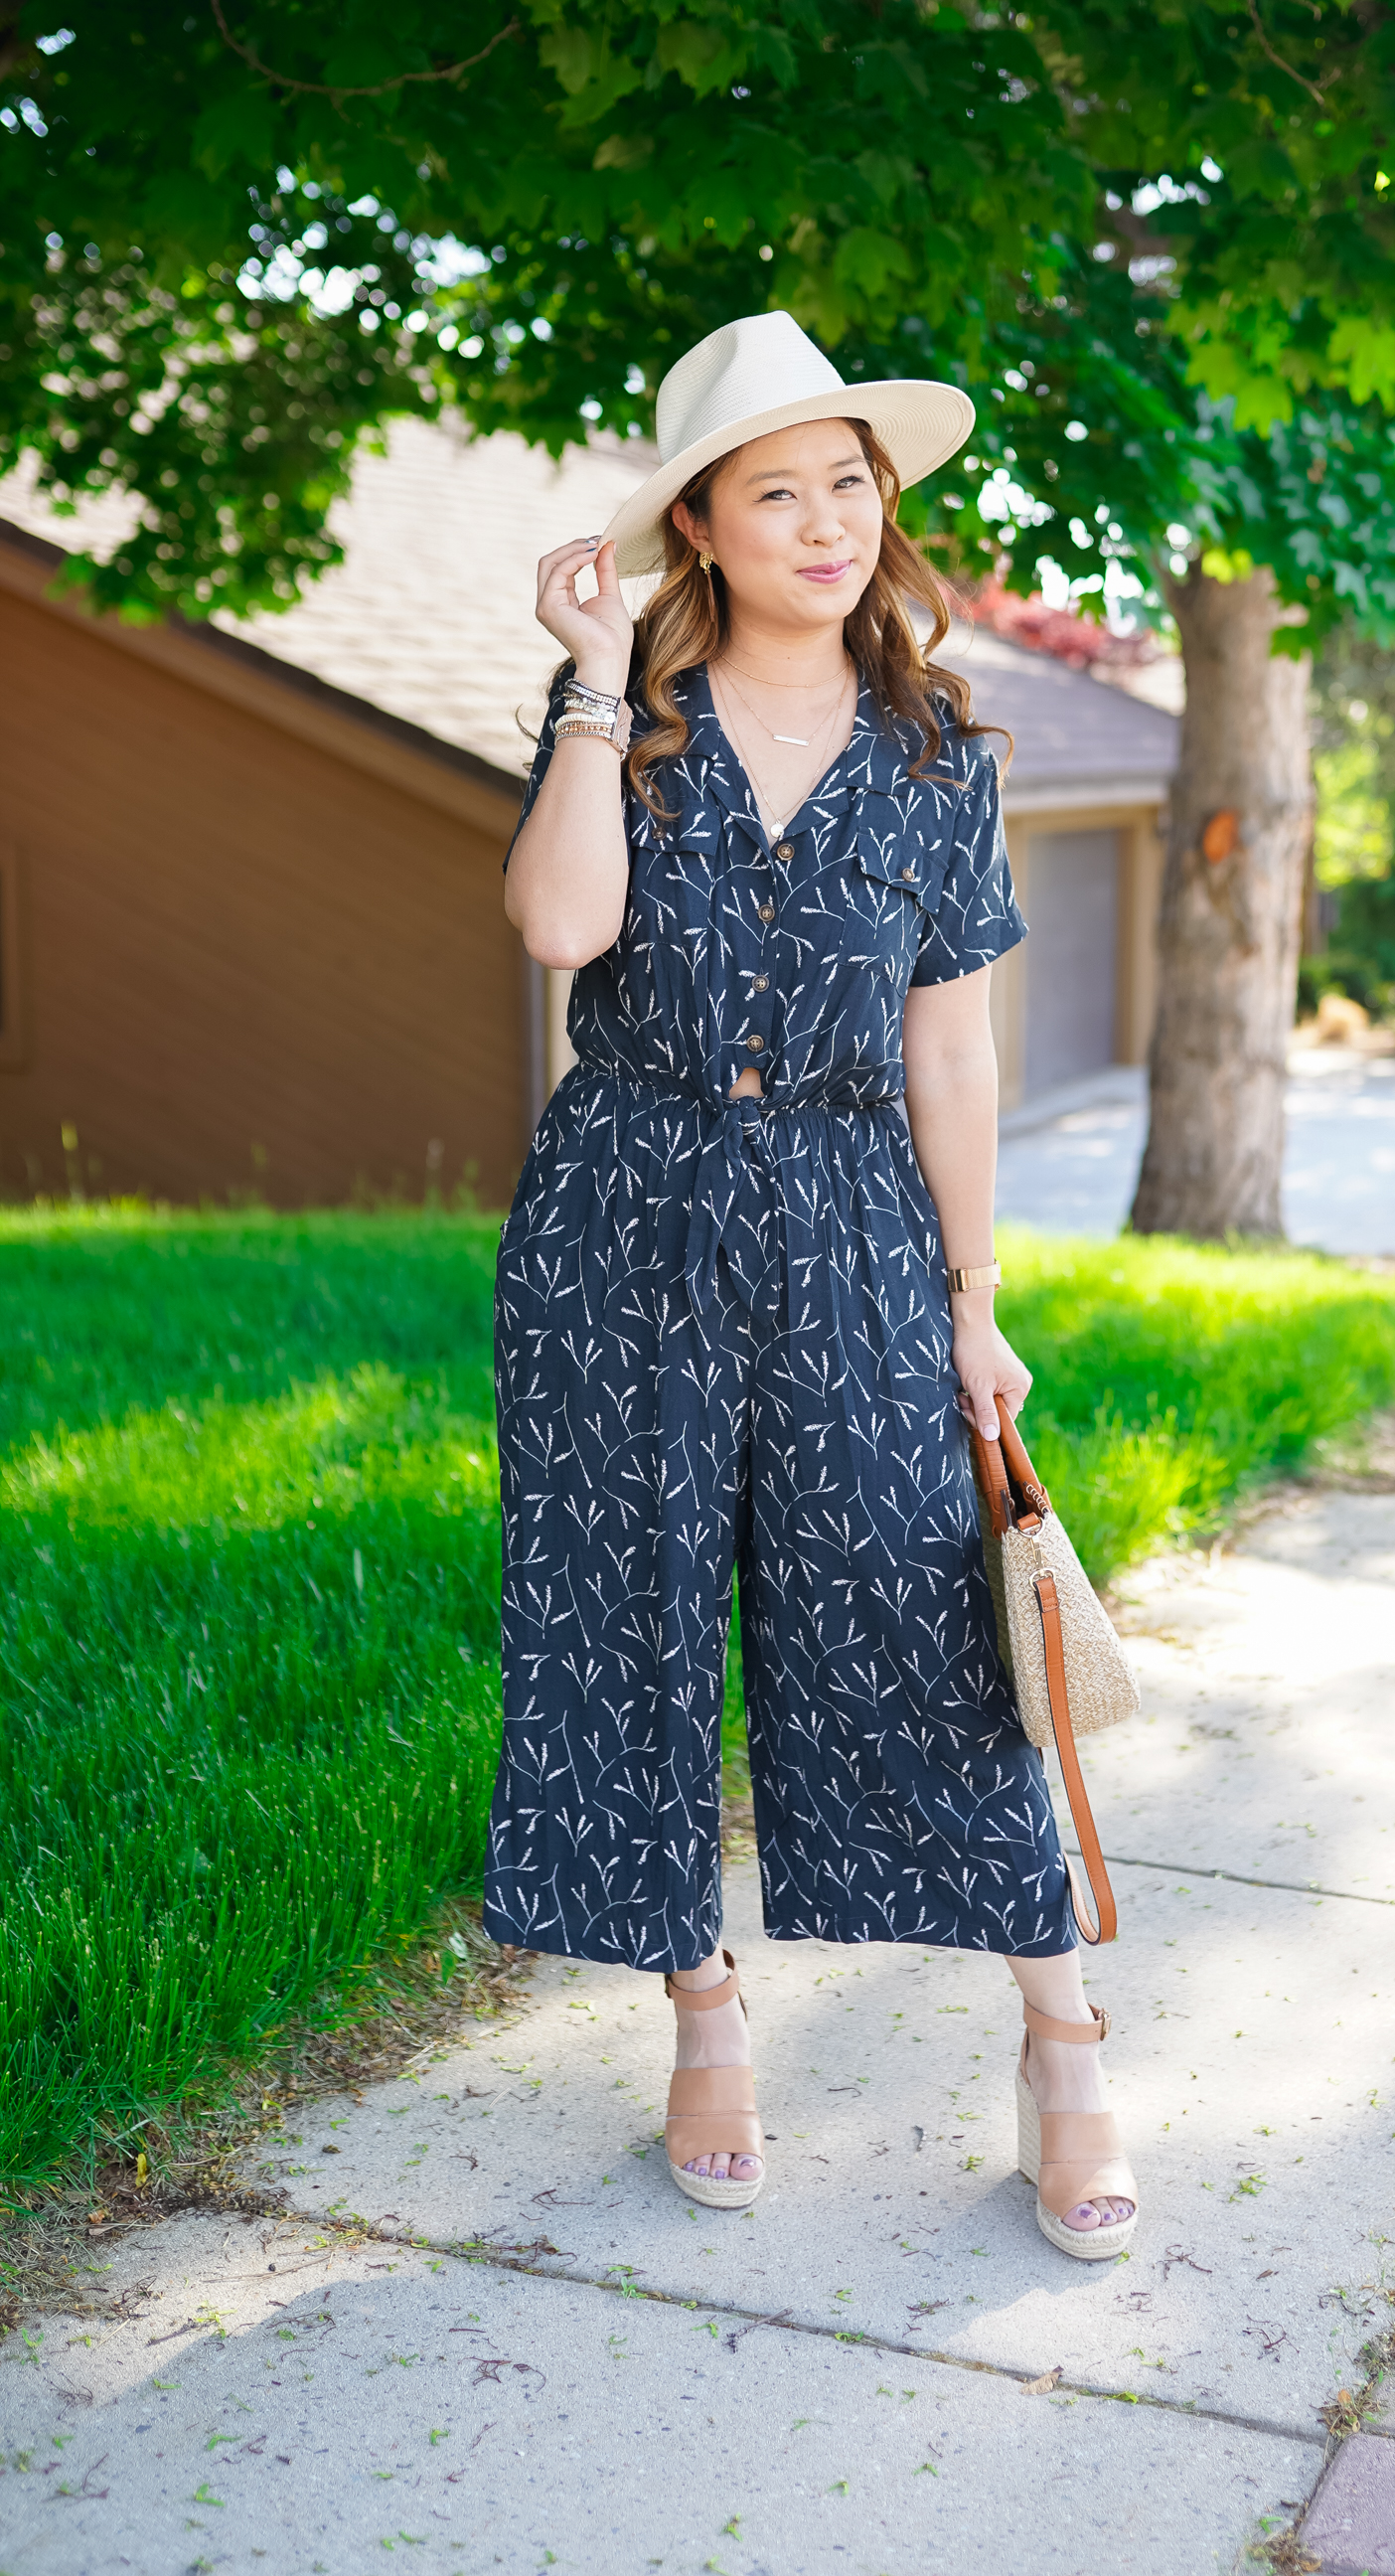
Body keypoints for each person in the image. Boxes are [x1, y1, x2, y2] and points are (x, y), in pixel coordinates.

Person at [486, 311, 1138, 2257]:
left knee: (919, 1630)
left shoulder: (943, 756)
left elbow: (956, 1050)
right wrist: (591, 686)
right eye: (777, 489)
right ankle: (700, 2013)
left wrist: (974, 1293)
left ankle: (1060, 2034)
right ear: (700, 522)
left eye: (849, 481)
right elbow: (557, 926)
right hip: (626, 1220)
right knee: (637, 1621)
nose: (827, 521)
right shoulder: (630, 714)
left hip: (855, 1220)